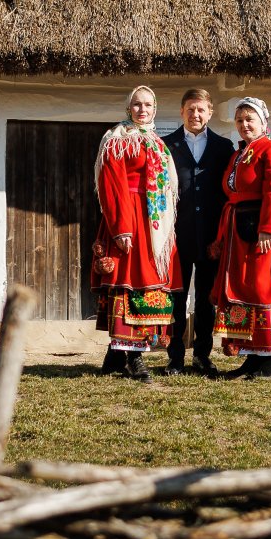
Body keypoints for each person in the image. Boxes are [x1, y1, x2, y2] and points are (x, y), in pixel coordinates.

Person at [91, 85, 180, 380]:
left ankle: (117, 356)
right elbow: (111, 185)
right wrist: (121, 228)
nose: (143, 110)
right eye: (137, 105)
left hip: (151, 223)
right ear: (128, 108)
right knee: (128, 285)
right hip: (129, 219)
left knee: (148, 286)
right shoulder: (118, 139)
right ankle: (133, 357)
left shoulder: (155, 142)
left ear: (155, 109)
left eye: (148, 105)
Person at [210, 97, 271, 379]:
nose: (244, 125)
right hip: (238, 229)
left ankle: (269, 358)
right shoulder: (239, 154)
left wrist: (267, 229)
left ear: (263, 123)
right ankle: (251, 356)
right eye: (239, 120)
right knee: (244, 290)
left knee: (261, 289)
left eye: (250, 119)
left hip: (260, 230)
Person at [161, 88, 235, 377]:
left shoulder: (223, 147)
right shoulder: (167, 145)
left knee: (206, 300)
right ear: (181, 111)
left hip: (210, 240)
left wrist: (222, 236)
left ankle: (203, 356)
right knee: (176, 300)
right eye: (190, 109)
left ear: (210, 112)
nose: (195, 114)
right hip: (177, 237)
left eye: (201, 109)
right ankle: (175, 358)